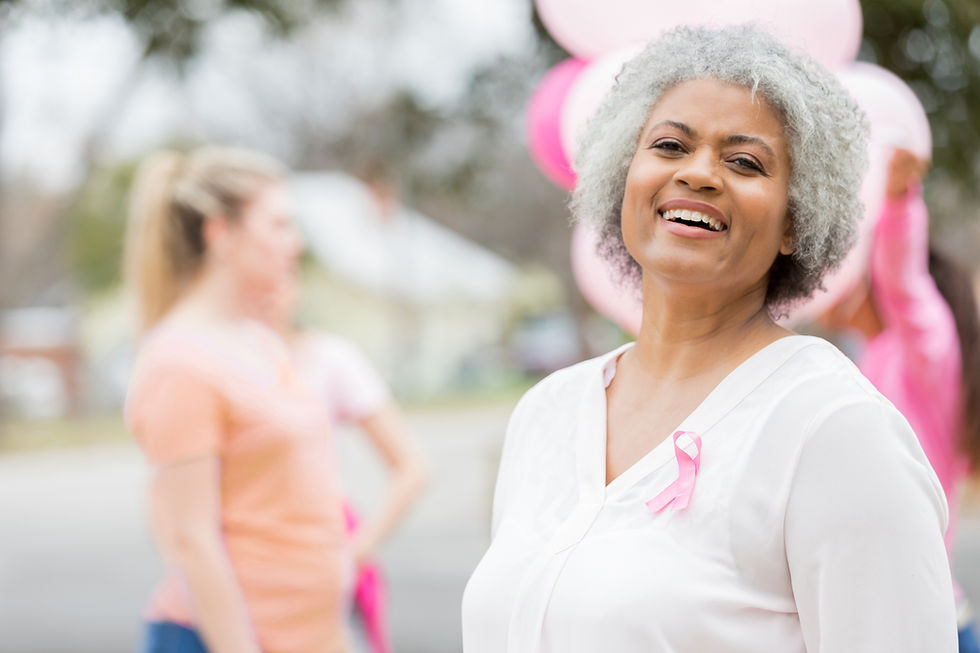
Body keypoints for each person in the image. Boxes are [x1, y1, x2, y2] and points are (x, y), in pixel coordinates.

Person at [462, 25, 957, 652]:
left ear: (794, 222)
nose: (698, 173)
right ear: (623, 178)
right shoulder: (546, 412)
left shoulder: (834, 431)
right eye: (670, 145)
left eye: (745, 161)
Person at [124, 146, 350, 653]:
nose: (295, 244)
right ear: (220, 234)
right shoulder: (178, 364)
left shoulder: (259, 340)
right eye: (279, 225)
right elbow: (190, 541)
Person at [818, 148, 980, 652]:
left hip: (929, 626)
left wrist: (898, 201)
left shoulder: (926, 352)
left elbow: (903, 282)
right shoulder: (868, 357)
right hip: (874, 624)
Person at [254, 271, 430, 653]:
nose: (266, 290)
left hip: (318, 553)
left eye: (277, 276)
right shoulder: (214, 365)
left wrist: (354, 553)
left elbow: (410, 467)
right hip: (244, 567)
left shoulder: (330, 358)